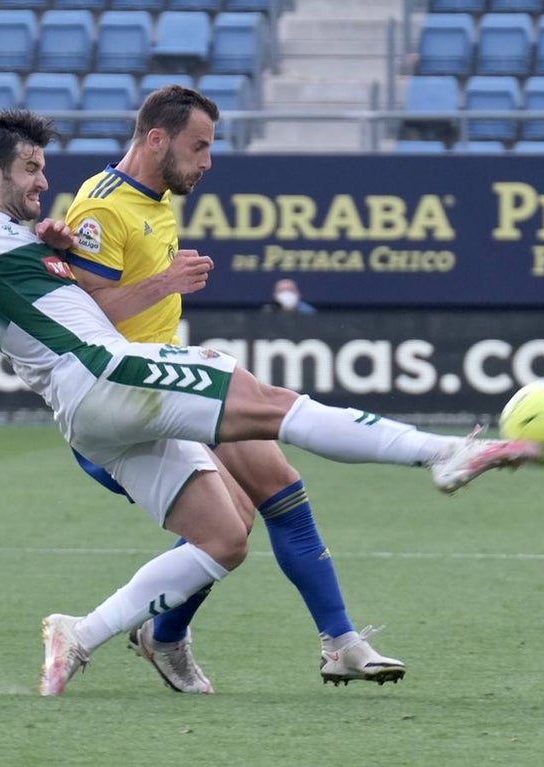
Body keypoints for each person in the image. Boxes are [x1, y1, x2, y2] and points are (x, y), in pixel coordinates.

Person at [0, 109, 541, 697]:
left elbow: (49, 290)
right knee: (272, 404)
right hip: (110, 374)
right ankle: (444, 452)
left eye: (43, 168)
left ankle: (80, 633)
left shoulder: (20, 237)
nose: (42, 180)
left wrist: (46, 244)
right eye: (29, 169)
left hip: (88, 412)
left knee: (224, 538)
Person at [64, 85, 396, 695]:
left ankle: (338, 642)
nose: (208, 161)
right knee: (233, 526)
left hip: (170, 387)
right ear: (156, 139)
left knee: (276, 494)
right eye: (200, 146)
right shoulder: (101, 208)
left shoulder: (155, 200)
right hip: (122, 405)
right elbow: (79, 326)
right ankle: (162, 638)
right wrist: (167, 282)